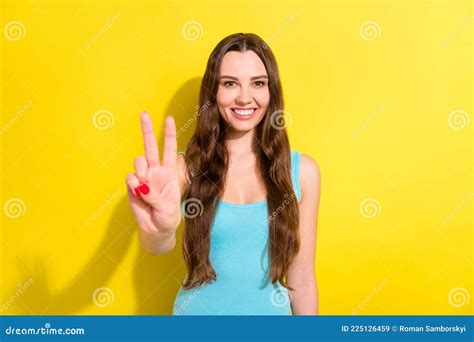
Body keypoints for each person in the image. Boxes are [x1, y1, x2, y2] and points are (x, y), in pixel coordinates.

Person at [125, 33, 321, 315]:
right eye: (230, 83)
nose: (244, 97)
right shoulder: (183, 169)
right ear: (213, 93)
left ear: (271, 91)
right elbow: (158, 244)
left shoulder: (302, 173)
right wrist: (160, 230)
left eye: (258, 83)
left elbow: (301, 281)